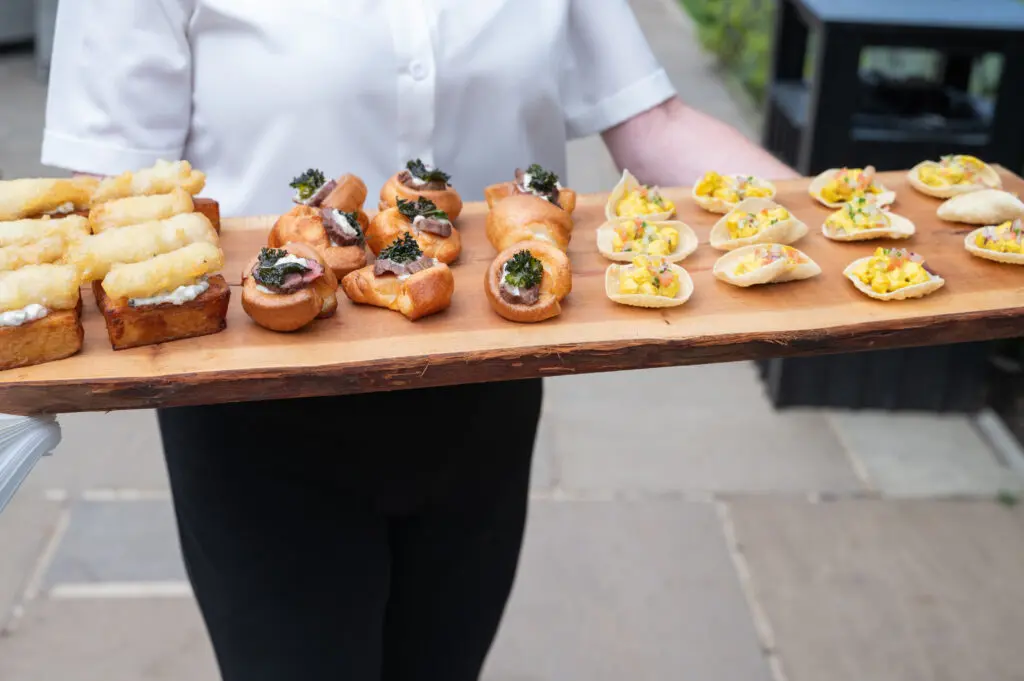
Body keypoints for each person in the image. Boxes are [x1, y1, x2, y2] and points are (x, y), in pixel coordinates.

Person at [42, 1, 796, 680]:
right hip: (256, 414)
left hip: (480, 395)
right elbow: (113, 184)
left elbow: (653, 123)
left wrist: (842, 226)